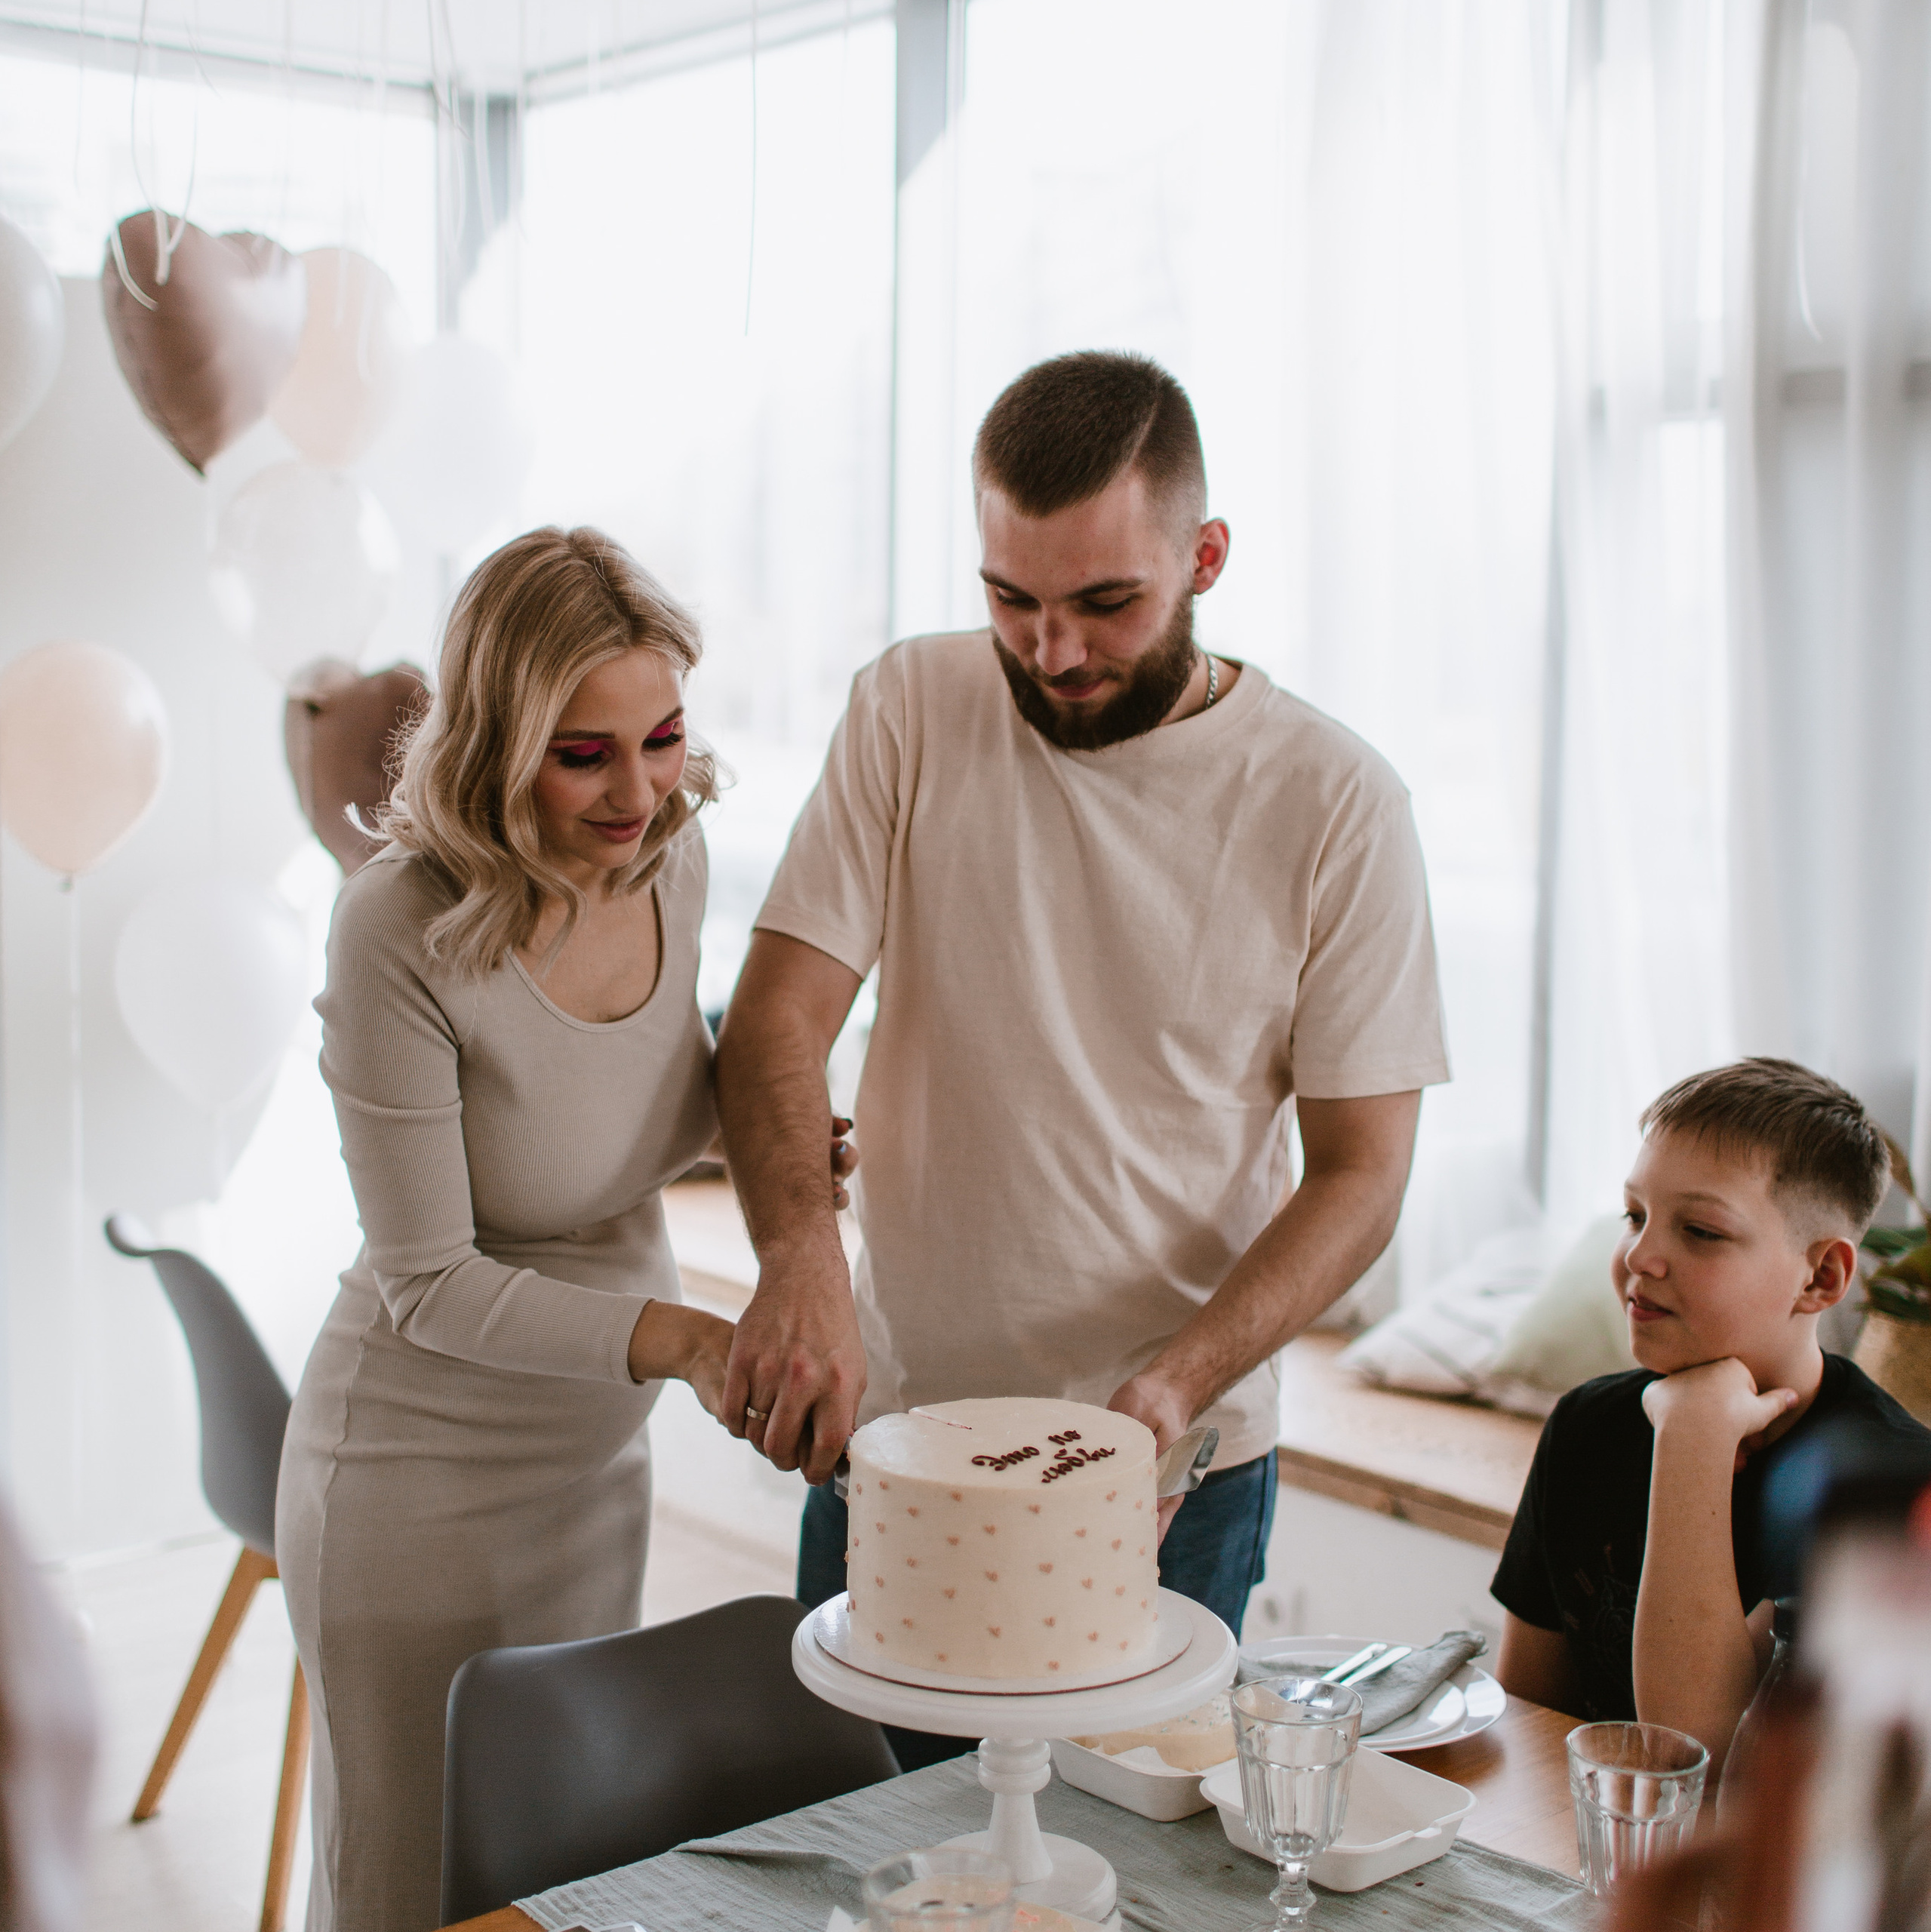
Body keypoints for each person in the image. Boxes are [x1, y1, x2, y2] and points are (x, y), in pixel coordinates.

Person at [715, 351, 1450, 1760]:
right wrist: (801, 1262)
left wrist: (1173, 1388)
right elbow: (774, 1021)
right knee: (852, 1856)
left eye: (1105, 603)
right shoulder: (908, 709)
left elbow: (1360, 1174)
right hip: (899, 1433)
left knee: (1122, 1881)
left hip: (1173, 1470)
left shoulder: (1335, 802)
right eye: (1011, 599)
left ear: (1204, 557)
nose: (1051, 652)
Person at [277, 528, 848, 1932]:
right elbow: (430, 1285)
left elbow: (628, 1092)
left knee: (567, 1890)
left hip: (585, 1467)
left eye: (659, 738)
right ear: (489, 742)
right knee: (414, 1896)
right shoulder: (396, 929)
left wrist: (760, 1134)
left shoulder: (672, 855)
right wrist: (684, 1342)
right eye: (581, 754)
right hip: (414, 1489)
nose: (638, 790)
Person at [1492, 1057, 1931, 1770]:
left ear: (1820, 1278)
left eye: (1700, 1231)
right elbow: (1527, 1720)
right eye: (1635, 1215)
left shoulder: (1890, 1489)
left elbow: (1698, 1757)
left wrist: (1691, 1442)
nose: (1640, 1254)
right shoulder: (1585, 1425)